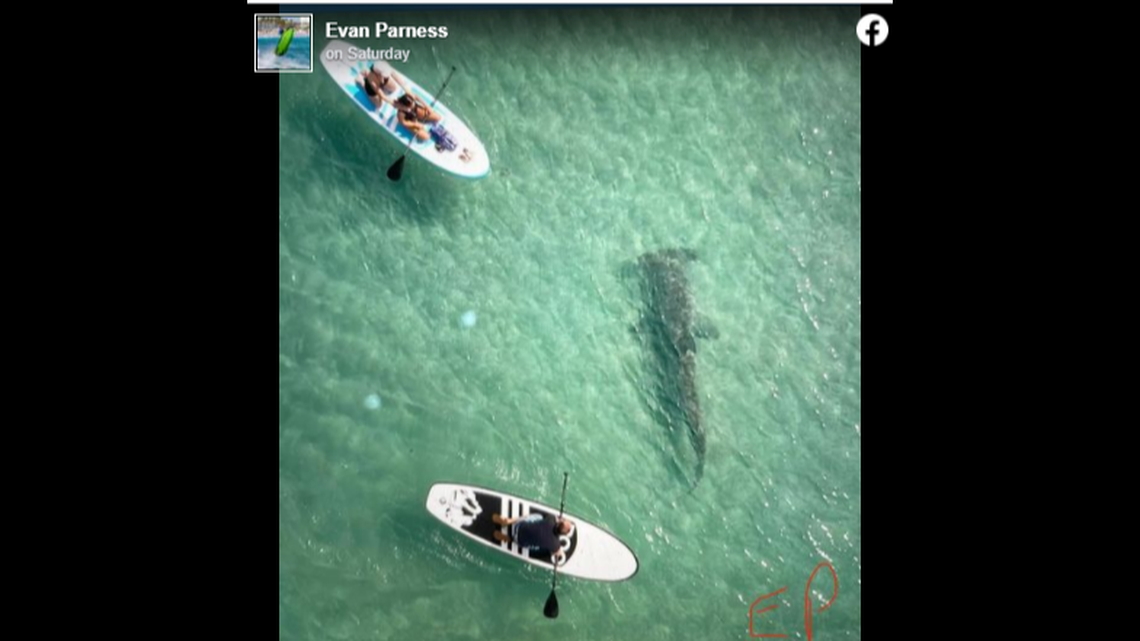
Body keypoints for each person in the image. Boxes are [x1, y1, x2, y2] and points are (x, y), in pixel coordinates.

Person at [491, 512, 573, 561]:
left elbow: (556, 518)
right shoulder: (555, 545)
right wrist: (560, 552)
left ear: (559, 523)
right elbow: (558, 553)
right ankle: (509, 539)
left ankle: (509, 521)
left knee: (539, 517)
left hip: (519, 526)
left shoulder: (550, 519)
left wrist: (561, 519)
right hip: (519, 540)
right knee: (538, 547)